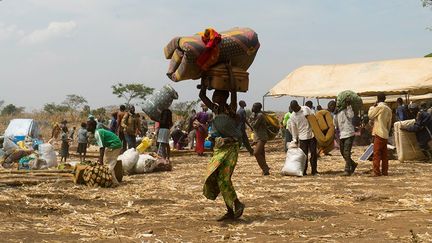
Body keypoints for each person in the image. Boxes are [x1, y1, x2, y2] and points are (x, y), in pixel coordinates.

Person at [199, 85, 245, 221]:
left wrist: (231, 81)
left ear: (224, 96)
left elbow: (234, 92)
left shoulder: (231, 109)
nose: (213, 97)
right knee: (216, 177)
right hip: (219, 148)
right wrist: (204, 84)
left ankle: (237, 204)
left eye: (216, 94)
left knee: (224, 178)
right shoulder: (215, 108)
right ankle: (230, 210)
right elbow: (202, 96)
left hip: (231, 146)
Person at [288, 100, 318, 176]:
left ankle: (314, 171)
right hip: (302, 137)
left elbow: (313, 118)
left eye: (295, 108)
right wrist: (294, 139)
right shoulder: (293, 116)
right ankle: (303, 171)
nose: (294, 110)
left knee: (314, 154)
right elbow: (293, 128)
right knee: (304, 155)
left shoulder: (306, 109)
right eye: (293, 109)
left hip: (311, 135)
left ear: (298, 105)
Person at [368, 93, 392, 176]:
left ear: (377, 98)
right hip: (385, 133)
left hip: (378, 132)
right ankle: (385, 171)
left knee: (377, 153)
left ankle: (376, 172)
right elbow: (389, 123)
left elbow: (370, 115)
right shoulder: (388, 109)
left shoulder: (379, 107)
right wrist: (387, 131)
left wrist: (372, 107)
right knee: (384, 154)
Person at [334, 98, 358, 176]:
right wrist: (335, 115)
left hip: (349, 133)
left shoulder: (345, 110)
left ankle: (347, 170)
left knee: (346, 152)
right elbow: (336, 125)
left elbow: (351, 115)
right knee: (342, 152)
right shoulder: (336, 114)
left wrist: (348, 106)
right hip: (342, 135)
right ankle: (353, 164)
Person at [250, 102, 271, 175]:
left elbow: (254, 126)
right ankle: (265, 170)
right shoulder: (255, 115)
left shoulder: (260, 115)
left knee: (256, 153)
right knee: (261, 154)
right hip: (257, 137)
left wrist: (252, 118)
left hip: (262, 137)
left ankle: (265, 168)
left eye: (254, 107)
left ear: (258, 108)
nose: (252, 108)